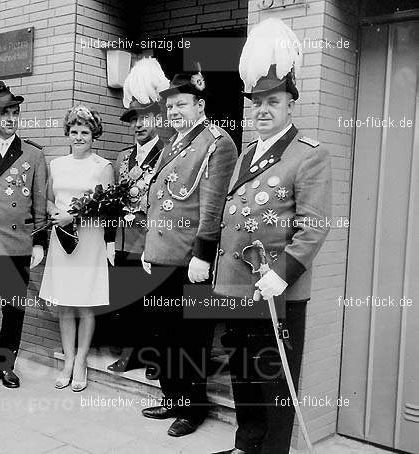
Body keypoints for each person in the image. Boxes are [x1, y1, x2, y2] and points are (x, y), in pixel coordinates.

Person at [211, 18, 331, 454]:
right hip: (239, 287)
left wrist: (282, 273)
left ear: (290, 105)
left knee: (274, 384)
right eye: (256, 102)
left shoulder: (308, 156)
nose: (262, 109)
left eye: (272, 101)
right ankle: (247, 445)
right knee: (243, 375)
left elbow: (314, 225)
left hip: (277, 291)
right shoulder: (246, 154)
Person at [140, 69, 238, 437]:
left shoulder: (216, 141)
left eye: (181, 104)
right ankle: (172, 397)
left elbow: (212, 205)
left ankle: (193, 408)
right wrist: (151, 248)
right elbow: (158, 202)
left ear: (200, 105)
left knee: (190, 337)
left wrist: (204, 254)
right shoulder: (173, 142)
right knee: (165, 333)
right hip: (164, 253)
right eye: (170, 105)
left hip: (191, 258)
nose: (174, 110)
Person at [0, 81, 47, 389]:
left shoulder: (33, 154)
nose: (11, 118)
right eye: (5, 113)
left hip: (17, 242)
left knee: (14, 307)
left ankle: (7, 364)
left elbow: (40, 201)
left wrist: (40, 240)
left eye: (15, 112)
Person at [39, 105, 115, 392]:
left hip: (89, 240)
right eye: (74, 132)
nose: (79, 137)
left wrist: (76, 216)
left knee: (84, 302)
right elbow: (47, 199)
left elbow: (107, 207)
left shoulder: (102, 167)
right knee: (65, 302)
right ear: (67, 135)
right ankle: (68, 360)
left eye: (84, 132)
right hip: (62, 239)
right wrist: (56, 214)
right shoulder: (57, 164)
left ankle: (81, 360)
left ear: (93, 134)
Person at [106, 58, 166, 376]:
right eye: (134, 119)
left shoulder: (168, 154)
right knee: (128, 300)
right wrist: (109, 241)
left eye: (145, 117)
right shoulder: (122, 157)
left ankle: (152, 356)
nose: (139, 124)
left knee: (154, 303)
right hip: (124, 239)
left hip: (153, 240)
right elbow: (115, 203)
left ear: (157, 117)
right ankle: (131, 353)